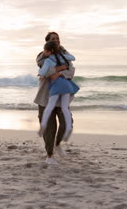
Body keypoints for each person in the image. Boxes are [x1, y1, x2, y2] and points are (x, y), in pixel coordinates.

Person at [34, 32, 75, 165]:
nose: (56, 40)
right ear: (47, 42)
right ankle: (49, 155)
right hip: (46, 95)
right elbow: (45, 70)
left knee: (66, 122)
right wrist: (60, 69)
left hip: (61, 93)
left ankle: (57, 144)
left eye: (57, 38)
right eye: (53, 39)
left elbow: (72, 71)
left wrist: (60, 72)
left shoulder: (65, 54)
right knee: (49, 128)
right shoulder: (43, 55)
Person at [38, 40, 79, 142]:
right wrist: (64, 53)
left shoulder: (48, 60)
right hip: (66, 85)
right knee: (65, 107)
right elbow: (73, 58)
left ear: (50, 51)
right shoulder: (63, 56)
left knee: (50, 106)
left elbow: (43, 72)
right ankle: (69, 128)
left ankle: (43, 126)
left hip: (57, 85)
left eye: (45, 51)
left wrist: (40, 74)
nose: (44, 53)